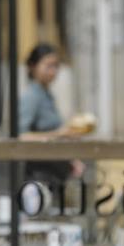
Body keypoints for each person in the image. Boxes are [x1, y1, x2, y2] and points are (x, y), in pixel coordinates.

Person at [18, 43, 85, 189]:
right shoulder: (32, 96)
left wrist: (70, 160)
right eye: (48, 65)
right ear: (33, 66)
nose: (53, 71)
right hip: (38, 175)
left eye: (56, 66)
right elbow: (20, 135)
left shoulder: (46, 95)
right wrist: (60, 134)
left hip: (53, 174)